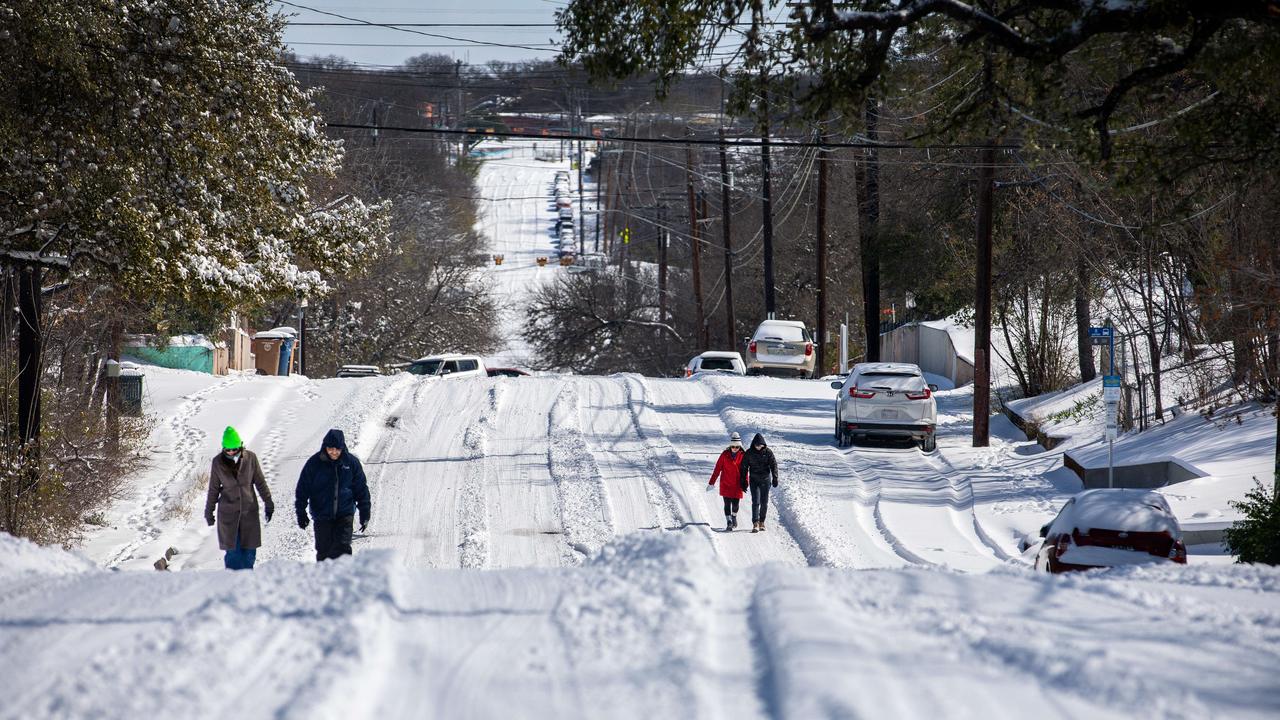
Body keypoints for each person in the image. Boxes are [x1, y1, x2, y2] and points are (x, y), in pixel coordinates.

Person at [295, 428, 371, 562]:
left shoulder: (351, 463)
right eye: (330, 448)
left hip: (345, 514)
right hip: (321, 515)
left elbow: (361, 489)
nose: (334, 452)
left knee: (342, 549)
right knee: (324, 552)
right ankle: (324, 581)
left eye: (337, 449)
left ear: (342, 448)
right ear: (325, 447)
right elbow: (303, 489)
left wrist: (364, 511)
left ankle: (343, 580)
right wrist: (301, 512)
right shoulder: (314, 463)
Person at [204, 426, 273, 570]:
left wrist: (268, 502)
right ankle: (232, 585)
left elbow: (260, 482)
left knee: (249, 554)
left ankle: (247, 586)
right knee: (233, 555)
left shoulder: (251, 458)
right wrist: (208, 512)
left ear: (240, 446)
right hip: (228, 515)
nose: (231, 452)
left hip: (249, 512)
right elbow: (213, 489)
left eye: (234, 449)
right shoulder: (217, 462)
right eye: (227, 449)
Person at [706, 431, 747, 531]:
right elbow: (717, 469)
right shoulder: (724, 455)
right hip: (726, 483)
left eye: (737, 447)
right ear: (730, 446)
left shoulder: (743, 455)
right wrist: (712, 482)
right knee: (727, 504)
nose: (735, 449)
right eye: (733, 447)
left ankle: (734, 516)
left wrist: (746, 481)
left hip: (737, 484)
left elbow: (746, 470)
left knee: (736, 505)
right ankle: (729, 521)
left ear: (740, 447)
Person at [739, 432, 778, 533]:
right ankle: (755, 523)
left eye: (760, 445)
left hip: (765, 480)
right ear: (753, 444)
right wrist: (743, 480)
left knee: (764, 502)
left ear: (763, 445)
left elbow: (774, 465)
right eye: (756, 445)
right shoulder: (749, 453)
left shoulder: (768, 452)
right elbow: (743, 467)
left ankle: (762, 522)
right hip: (754, 480)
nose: (758, 447)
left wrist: (775, 477)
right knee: (756, 502)